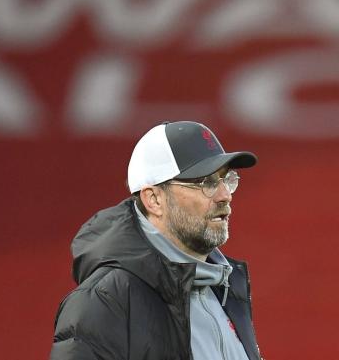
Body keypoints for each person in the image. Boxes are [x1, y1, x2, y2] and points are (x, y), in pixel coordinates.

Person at [51, 121, 262, 360]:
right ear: (154, 200)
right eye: (207, 183)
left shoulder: (223, 288)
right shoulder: (105, 301)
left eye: (227, 180)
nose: (225, 195)